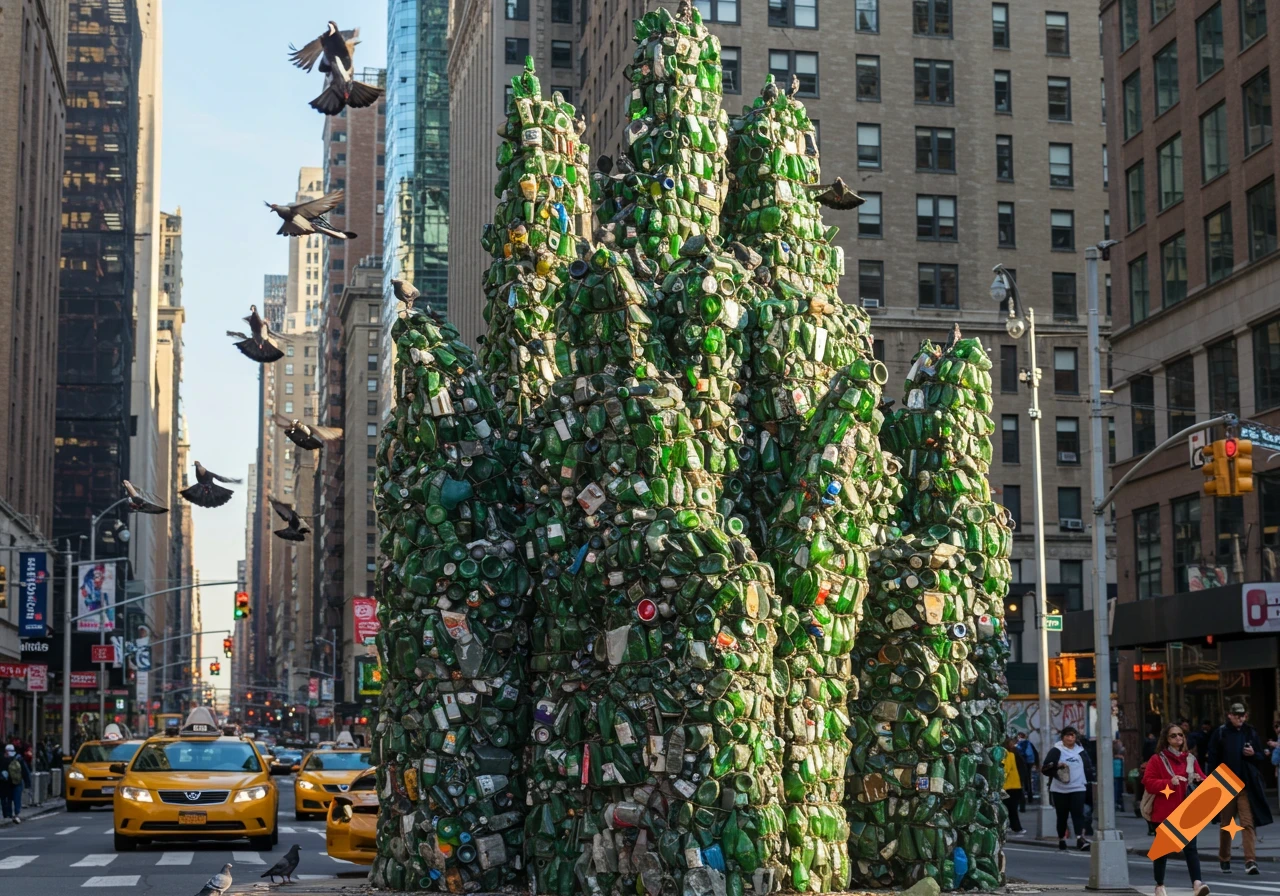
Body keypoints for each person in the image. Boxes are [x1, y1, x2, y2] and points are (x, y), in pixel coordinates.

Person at [1143, 723, 1211, 896]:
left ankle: (1197, 883)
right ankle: (1159, 885)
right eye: (1173, 735)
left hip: (1187, 811)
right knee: (1162, 850)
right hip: (1164, 811)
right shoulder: (1157, 760)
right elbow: (1148, 782)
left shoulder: (1190, 759)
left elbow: (1203, 779)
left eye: (1181, 735)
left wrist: (1198, 779)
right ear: (1166, 738)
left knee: (1191, 848)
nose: (1178, 738)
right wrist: (1168, 783)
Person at [1206, 702, 1273, 875]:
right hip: (1226, 784)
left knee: (1247, 823)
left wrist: (1254, 754)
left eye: (1242, 715)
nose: (1240, 718)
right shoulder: (1221, 733)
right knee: (1226, 824)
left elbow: (1260, 756)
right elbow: (1212, 758)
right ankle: (1224, 858)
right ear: (1229, 715)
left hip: (1245, 785)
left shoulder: (1250, 732)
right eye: (1236, 715)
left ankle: (1250, 861)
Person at [1042, 725, 1095, 851]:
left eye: (1072, 735)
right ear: (1063, 737)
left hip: (1078, 787)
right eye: (1067, 735)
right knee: (1062, 816)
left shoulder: (1080, 750)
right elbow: (1046, 766)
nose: (1070, 738)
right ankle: (1062, 838)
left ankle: (1080, 839)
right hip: (1060, 789)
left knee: (1079, 814)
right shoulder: (1057, 750)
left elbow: (1088, 766)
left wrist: (1091, 781)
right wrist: (1057, 764)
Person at [1, 743, 32, 823]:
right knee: (17, 799)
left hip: (6, 783)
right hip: (17, 782)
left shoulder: (3, 759)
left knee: (8, 799)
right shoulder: (19, 758)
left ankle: (8, 815)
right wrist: (27, 783)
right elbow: (25, 771)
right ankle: (16, 814)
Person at [1003, 737, 1027, 834]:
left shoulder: (1008, 755)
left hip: (1008, 786)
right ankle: (1016, 827)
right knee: (1012, 809)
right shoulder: (1014, 754)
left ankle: (1013, 827)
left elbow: (1005, 770)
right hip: (1015, 785)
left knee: (1009, 809)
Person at [1015, 732, 1039, 801]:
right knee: (1028, 779)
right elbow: (1035, 753)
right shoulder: (1029, 743)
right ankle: (1030, 796)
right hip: (1029, 763)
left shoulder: (1017, 744)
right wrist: (1036, 763)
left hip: (1021, 764)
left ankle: (1022, 800)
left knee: (1021, 781)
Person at [1113, 737, 1127, 813]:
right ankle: (1118, 803)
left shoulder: (1119, 757)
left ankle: (1118, 803)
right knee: (1117, 790)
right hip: (1117, 775)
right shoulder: (1118, 757)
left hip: (1118, 775)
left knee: (1118, 790)